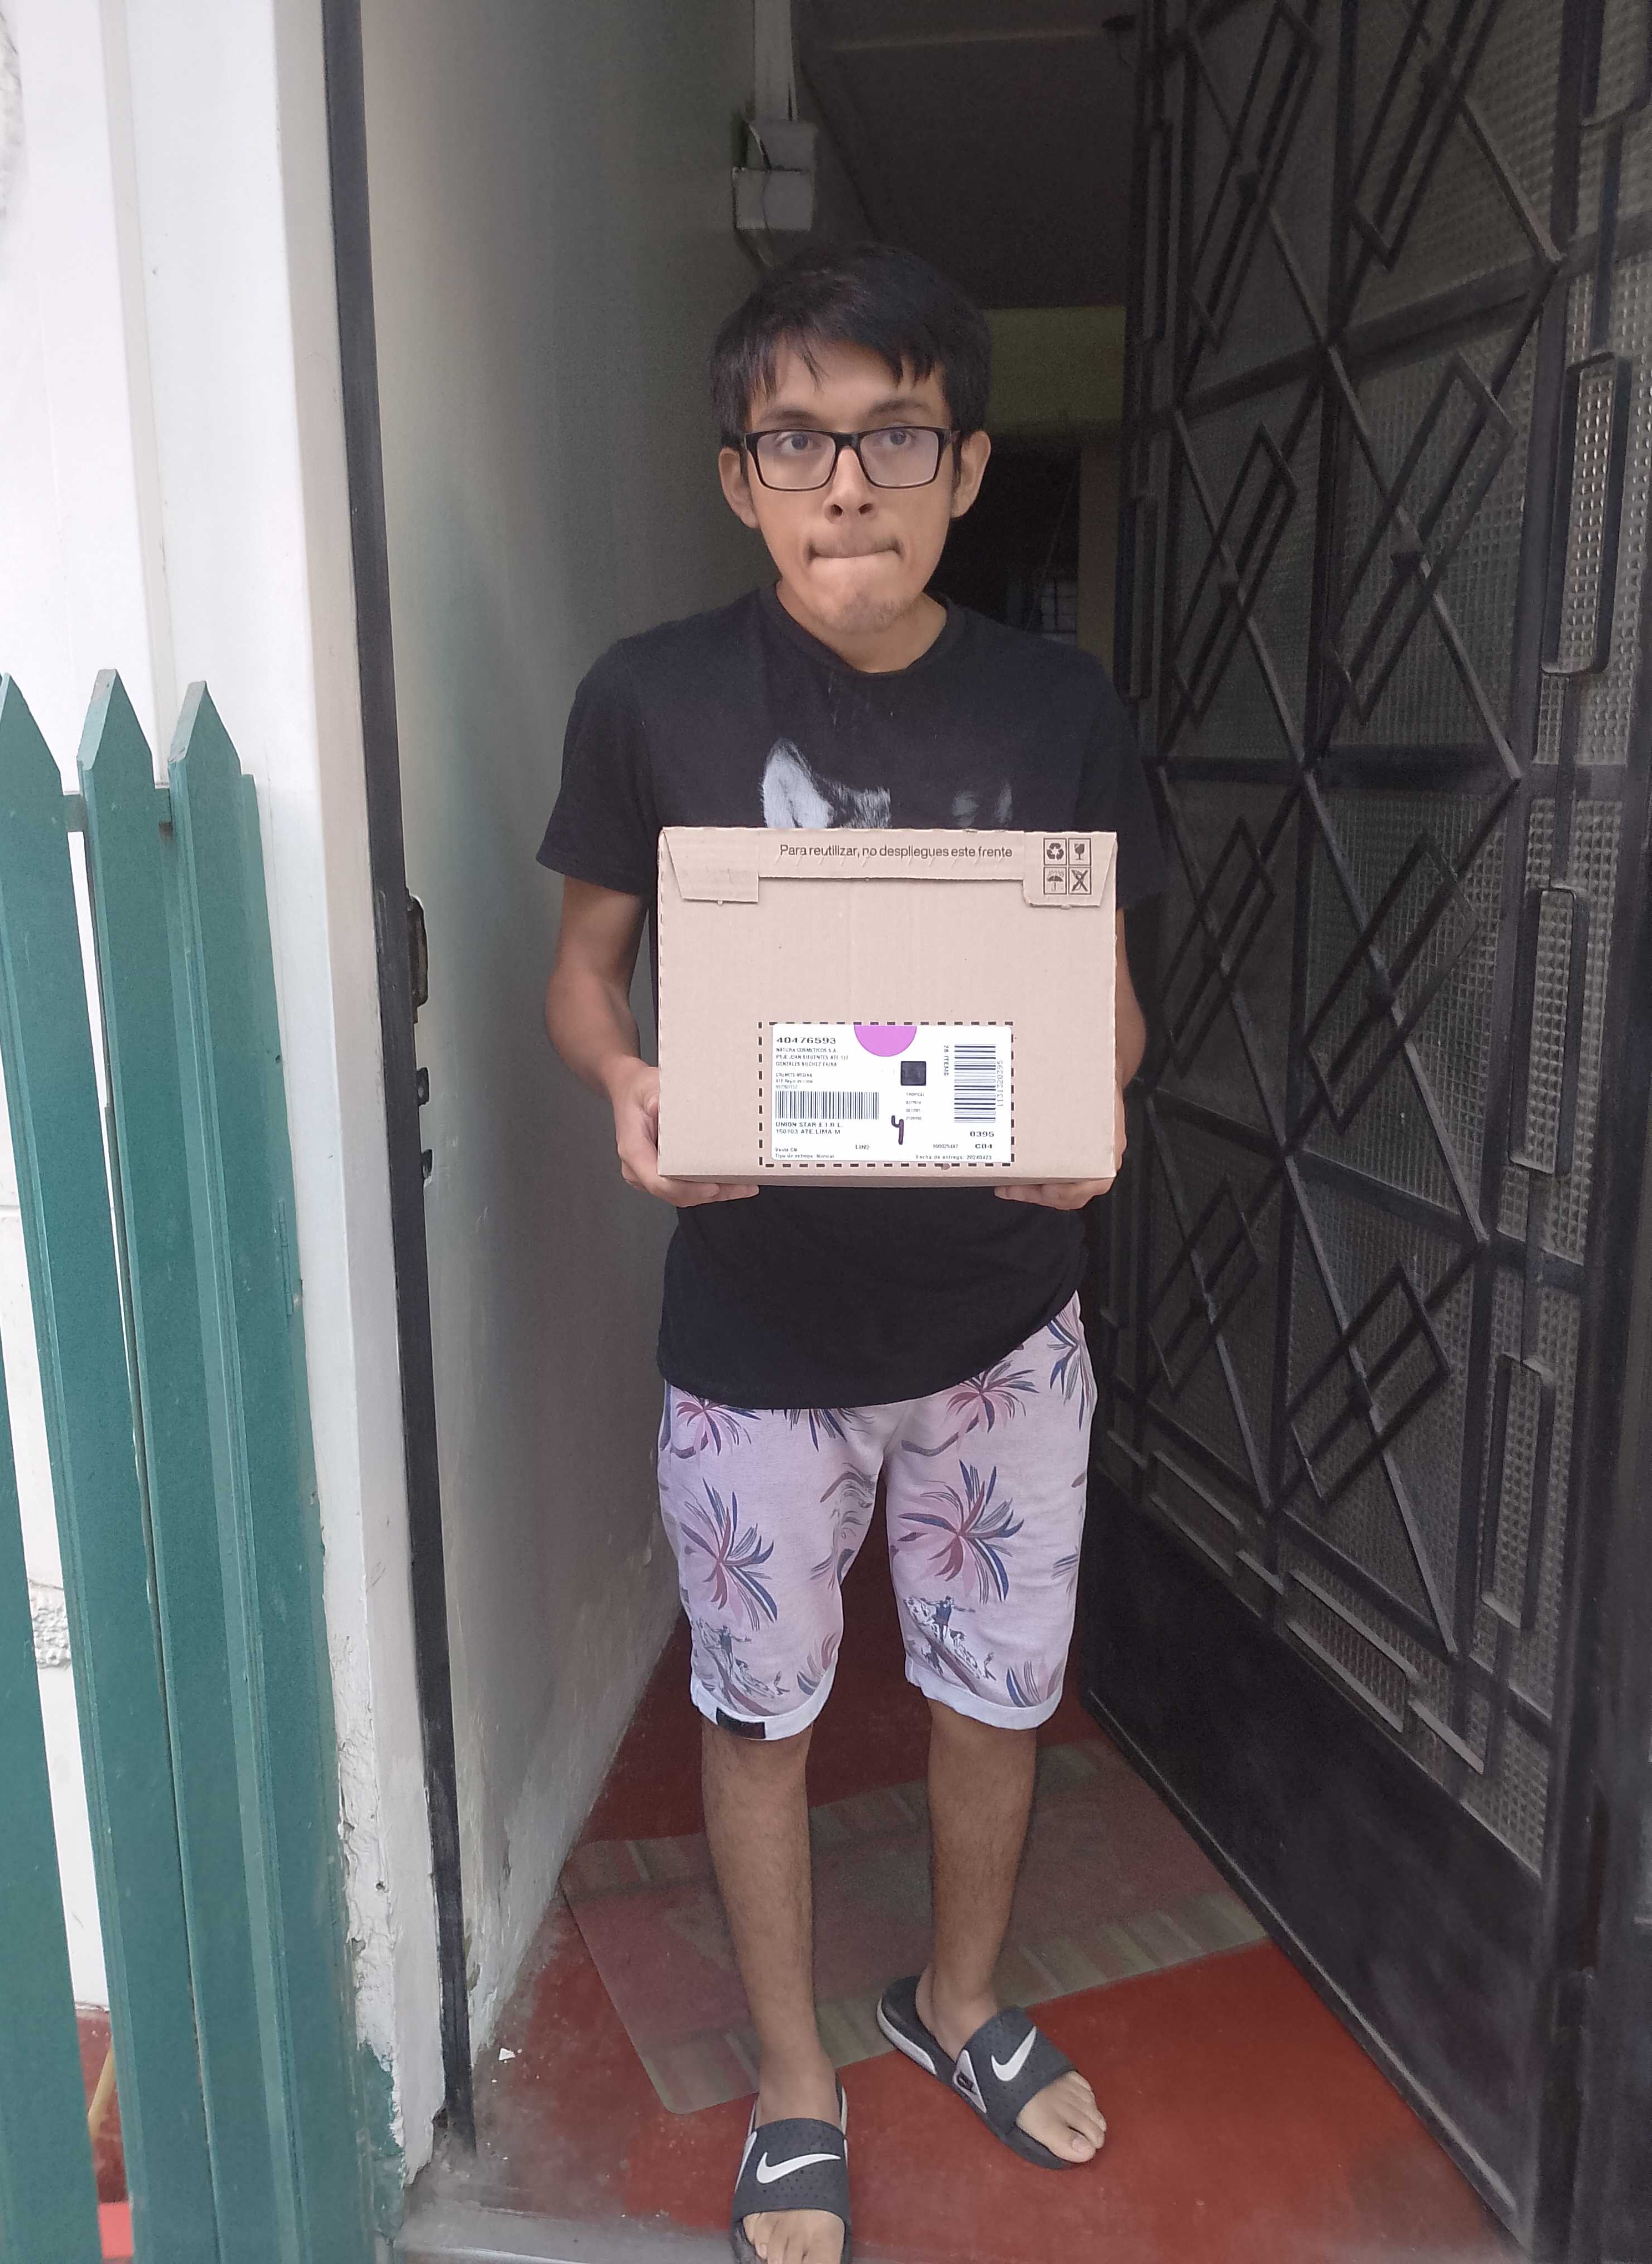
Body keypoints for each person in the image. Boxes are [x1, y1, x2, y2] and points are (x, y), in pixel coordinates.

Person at [539, 242, 1164, 2264]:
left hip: (1006, 1322)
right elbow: (582, 974)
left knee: (998, 1695)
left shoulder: (1059, 706)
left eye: (897, 437)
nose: (846, 485)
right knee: (760, 1714)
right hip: (756, 1331)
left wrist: (1099, 1102)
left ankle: (957, 2004)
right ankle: (797, 2078)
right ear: (740, 479)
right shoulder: (650, 699)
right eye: (796, 443)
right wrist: (630, 1082)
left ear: (966, 467)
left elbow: (1107, 997)